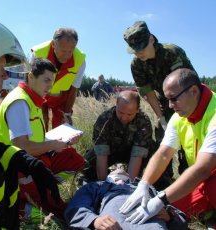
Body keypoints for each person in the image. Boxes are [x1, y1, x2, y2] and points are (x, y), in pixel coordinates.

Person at [0, 17, 62, 229]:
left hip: (17, 179)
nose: (5, 73)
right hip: (11, 192)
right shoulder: (20, 101)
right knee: (59, 211)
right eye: (1, 65)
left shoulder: (33, 100)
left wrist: (26, 161)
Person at [119, 68, 216, 224]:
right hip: (204, 180)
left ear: (193, 91)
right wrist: (144, 184)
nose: (170, 105)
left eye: (173, 98)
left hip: (208, 177)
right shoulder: (180, 116)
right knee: (168, 212)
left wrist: (160, 199)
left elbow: (203, 169)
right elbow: (163, 154)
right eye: (167, 100)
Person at [0, 58, 85, 221]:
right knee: (56, 215)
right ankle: (24, 207)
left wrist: (62, 141)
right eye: (46, 80)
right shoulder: (19, 102)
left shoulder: (31, 99)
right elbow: (22, 147)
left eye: (52, 81)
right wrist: (53, 144)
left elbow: (33, 137)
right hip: (18, 168)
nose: (50, 87)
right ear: (31, 77)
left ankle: (42, 190)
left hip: (37, 159)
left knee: (74, 159)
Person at [123, 21, 196, 175]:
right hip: (166, 101)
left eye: (141, 48)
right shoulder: (136, 65)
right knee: (162, 140)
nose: (138, 54)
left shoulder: (171, 52)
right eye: (134, 51)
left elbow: (183, 87)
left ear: (151, 39)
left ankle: (189, 176)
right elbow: (149, 93)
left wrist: (182, 116)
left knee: (189, 140)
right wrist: (161, 118)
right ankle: (163, 180)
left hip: (190, 100)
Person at [82, 90, 171, 190]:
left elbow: (137, 156)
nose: (124, 118)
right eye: (120, 112)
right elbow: (101, 154)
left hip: (134, 153)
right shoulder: (105, 119)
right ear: (116, 105)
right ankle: (93, 186)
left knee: (157, 157)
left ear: (137, 110)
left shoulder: (143, 121)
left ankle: (156, 188)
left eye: (129, 114)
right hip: (111, 152)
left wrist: (129, 187)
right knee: (86, 163)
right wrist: (104, 186)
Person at [65, 168, 188, 230]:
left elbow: (181, 221)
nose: (119, 168)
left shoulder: (149, 189)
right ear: (108, 177)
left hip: (150, 222)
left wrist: (169, 217)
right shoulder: (97, 186)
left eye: (123, 170)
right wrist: (94, 220)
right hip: (114, 221)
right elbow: (76, 207)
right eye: (113, 170)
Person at [31, 27, 86, 129]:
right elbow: (32, 86)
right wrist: (39, 110)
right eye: (63, 51)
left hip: (62, 98)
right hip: (40, 94)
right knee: (40, 124)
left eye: (71, 51)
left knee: (62, 127)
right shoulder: (38, 54)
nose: (66, 55)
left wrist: (67, 113)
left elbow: (74, 90)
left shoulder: (80, 60)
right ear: (53, 44)